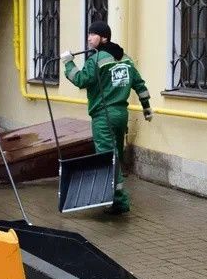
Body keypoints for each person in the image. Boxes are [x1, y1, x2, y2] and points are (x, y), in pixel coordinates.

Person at [61, 21, 152, 215]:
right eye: (89, 34)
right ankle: (114, 198)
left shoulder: (97, 59)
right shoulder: (125, 59)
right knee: (115, 155)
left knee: (106, 158)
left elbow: (80, 80)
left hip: (103, 115)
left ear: (104, 38)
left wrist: (68, 63)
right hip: (120, 115)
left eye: (93, 34)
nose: (88, 38)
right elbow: (140, 85)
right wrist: (147, 108)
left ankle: (119, 201)